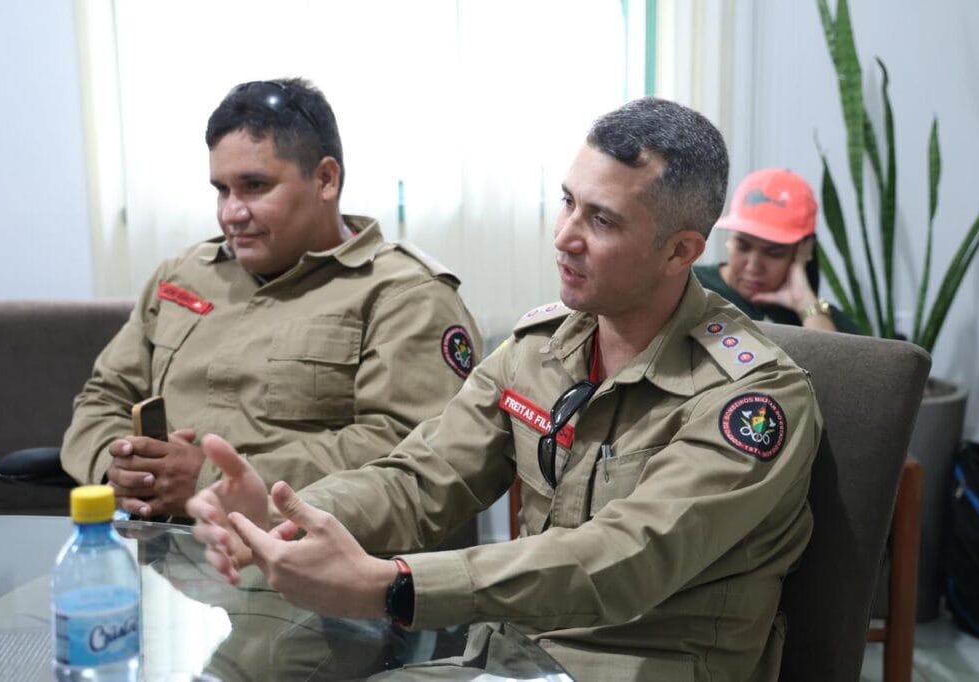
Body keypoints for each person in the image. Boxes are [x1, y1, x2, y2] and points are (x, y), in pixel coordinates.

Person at [187, 98, 823, 680]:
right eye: (567, 201)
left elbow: (624, 557)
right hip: (513, 658)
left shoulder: (754, 400)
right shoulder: (541, 348)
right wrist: (290, 513)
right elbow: (422, 477)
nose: (565, 236)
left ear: (681, 250)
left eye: (601, 220)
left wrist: (395, 584)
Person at [60, 78, 481, 520]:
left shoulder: (403, 293)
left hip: (304, 554)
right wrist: (119, 469)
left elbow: (408, 450)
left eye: (255, 186)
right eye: (221, 189)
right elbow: (102, 397)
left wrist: (214, 484)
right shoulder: (183, 275)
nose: (231, 213)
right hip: (156, 547)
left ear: (325, 179)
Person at [693, 168, 860, 333]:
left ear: (803, 251)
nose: (753, 266)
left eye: (774, 253)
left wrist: (805, 304)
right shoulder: (689, 285)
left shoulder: (826, 320)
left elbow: (831, 358)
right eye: (743, 246)